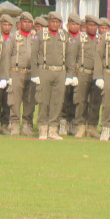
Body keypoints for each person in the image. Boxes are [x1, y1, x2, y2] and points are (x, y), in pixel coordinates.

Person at [31, 12, 70, 140]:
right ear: (48, 22)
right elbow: (34, 55)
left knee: (57, 102)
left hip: (60, 71)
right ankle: (42, 128)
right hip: (45, 70)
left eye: (57, 22)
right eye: (52, 21)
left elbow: (69, 56)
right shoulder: (40, 35)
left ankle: (53, 129)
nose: (54, 24)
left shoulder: (64, 35)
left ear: (60, 23)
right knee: (43, 100)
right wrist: (35, 74)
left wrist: (69, 74)